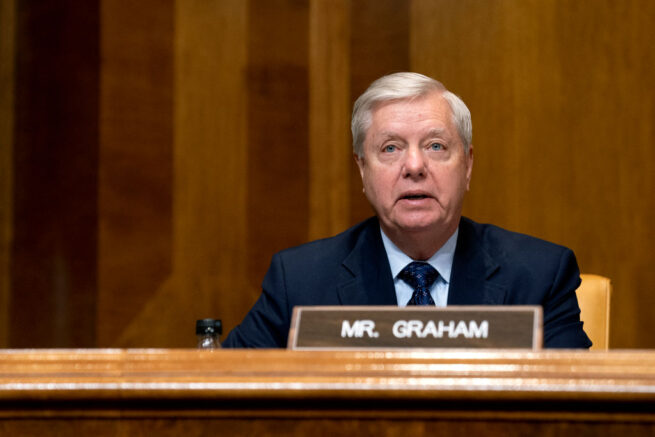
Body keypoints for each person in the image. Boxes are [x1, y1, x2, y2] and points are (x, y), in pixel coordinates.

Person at [223, 72, 591, 349]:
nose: (414, 166)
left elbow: (577, 412)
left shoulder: (539, 276)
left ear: (468, 165)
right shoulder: (300, 281)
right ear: (362, 170)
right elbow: (226, 391)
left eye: (435, 146)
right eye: (390, 149)